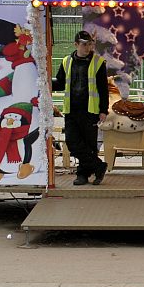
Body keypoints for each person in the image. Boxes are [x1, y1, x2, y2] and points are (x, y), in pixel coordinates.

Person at [52, 30, 109, 186]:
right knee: (72, 142)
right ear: (76, 45)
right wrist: (46, 82)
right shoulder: (66, 61)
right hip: (71, 110)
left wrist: (103, 110)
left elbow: (103, 89)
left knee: (89, 144)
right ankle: (99, 166)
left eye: (89, 44)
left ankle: (83, 175)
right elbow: (61, 83)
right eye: (84, 44)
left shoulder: (98, 62)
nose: (87, 47)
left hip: (90, 110)